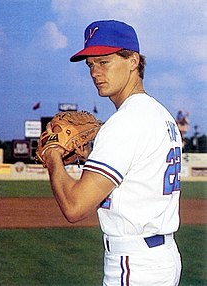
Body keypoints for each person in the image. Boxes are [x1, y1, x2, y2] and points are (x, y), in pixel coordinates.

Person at [43, 20, 182, 286]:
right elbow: (140, 171)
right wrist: (90, 159)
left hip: (134, 264)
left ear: (133, 60)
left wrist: (53, 157)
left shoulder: (124, 122)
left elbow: (74, 207)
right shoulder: (159, 114)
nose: (95, 72)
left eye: (104, 62)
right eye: (90, 65)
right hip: (160, 259)